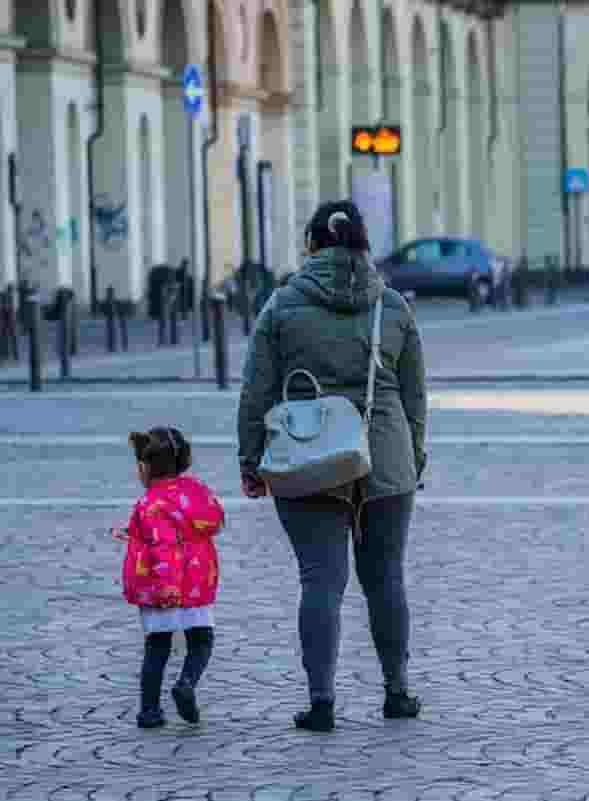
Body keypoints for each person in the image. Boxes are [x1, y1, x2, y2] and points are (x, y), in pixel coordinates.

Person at [236, 200, 428, 732]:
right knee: (385, 577)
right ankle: (397, 691)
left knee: (320, 579)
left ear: (312, 246)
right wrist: (414, 455)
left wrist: (251, 459)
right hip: (386, 454)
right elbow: (414, 394)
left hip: (307, 453)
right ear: (364, 246)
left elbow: (256, 390)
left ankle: (321, 702)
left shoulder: (281, 305)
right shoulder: (391, 305)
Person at [115, 427, 225, 729]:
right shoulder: (199, 493)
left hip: (163, 586)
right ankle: (187, 683)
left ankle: (149, 710)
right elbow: (212, 520)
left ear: (145, 467)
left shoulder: (150, 504)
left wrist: (167, 586)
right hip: (198, 582)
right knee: (201, 640)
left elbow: (163, 546)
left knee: (158, 646)